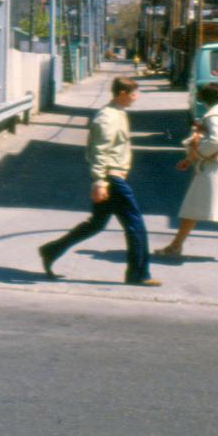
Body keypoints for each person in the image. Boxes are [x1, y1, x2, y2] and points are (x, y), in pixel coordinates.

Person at [38, 76, 161, 286]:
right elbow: (98, 151)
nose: (136, 97)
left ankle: (51, 250)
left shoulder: (118, 113)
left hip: (112, 177)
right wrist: (100, 181)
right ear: (122, 94)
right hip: (112, 179)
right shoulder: (108, 117)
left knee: (96, 224)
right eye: (133, 94)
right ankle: (139, 274)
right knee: (135, 225)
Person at [154, 82, 218, 264]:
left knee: (191, 206)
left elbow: (215, 141)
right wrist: (192, 155)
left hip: (214, 168)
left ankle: (175, 246)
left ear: (205, 98)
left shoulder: (214, 115)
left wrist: (196, 151)